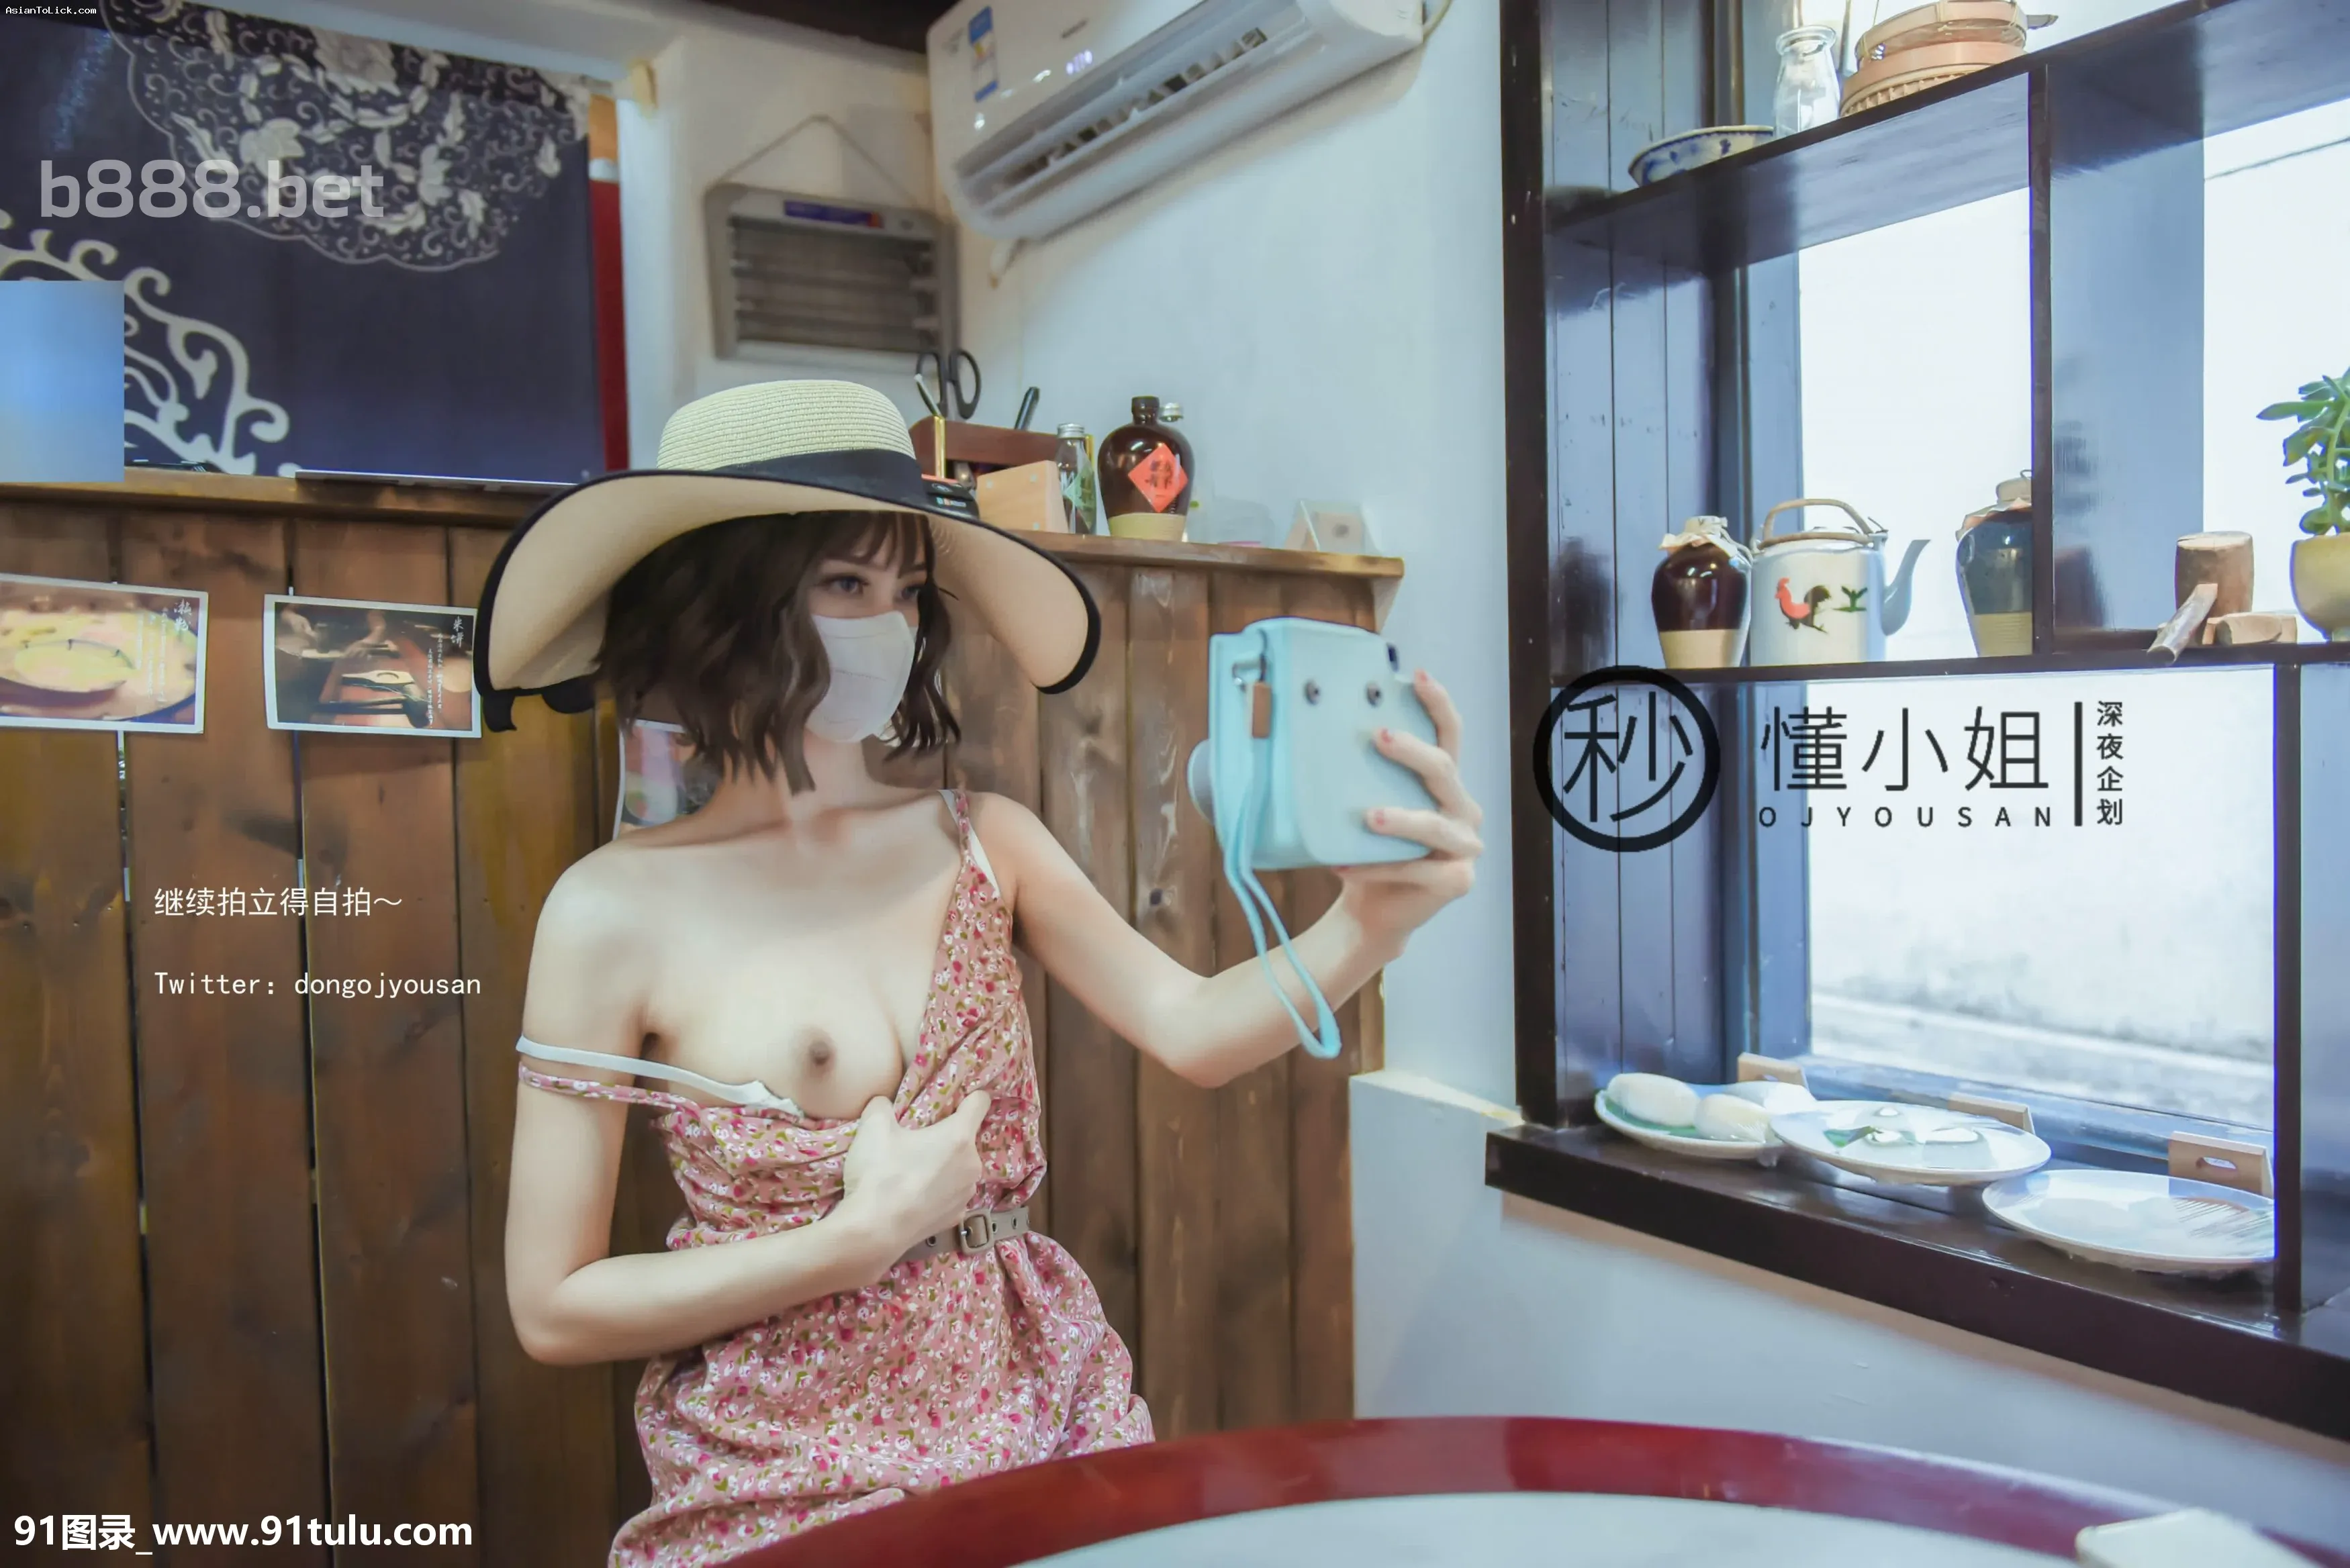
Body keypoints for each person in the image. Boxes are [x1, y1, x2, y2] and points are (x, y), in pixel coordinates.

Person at [476, 381, 1483, 1566]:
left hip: (1043, 1408)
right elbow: (552, 1306)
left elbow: (1195, 1028)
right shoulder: (611, 910)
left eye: (907, 592)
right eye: (844, 585)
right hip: (785, 1468)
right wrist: (849, 1245)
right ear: (726, 605)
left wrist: (1374, 923)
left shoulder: (983, 840)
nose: (888, 626)